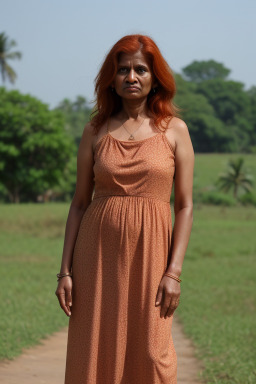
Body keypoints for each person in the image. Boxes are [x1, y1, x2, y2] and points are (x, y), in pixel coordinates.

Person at [55, 34, 194, 384]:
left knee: (151, 351)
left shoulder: (174, 130)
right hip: (96, 256)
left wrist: (173, 272)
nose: (131, 77)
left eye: (140, 69)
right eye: (122, 70)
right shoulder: (95, 130)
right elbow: (79, 203)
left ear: (155, 77)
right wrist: (65, 272)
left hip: (152, 256)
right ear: (112, 79)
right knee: (95, 347)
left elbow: (185, 205)